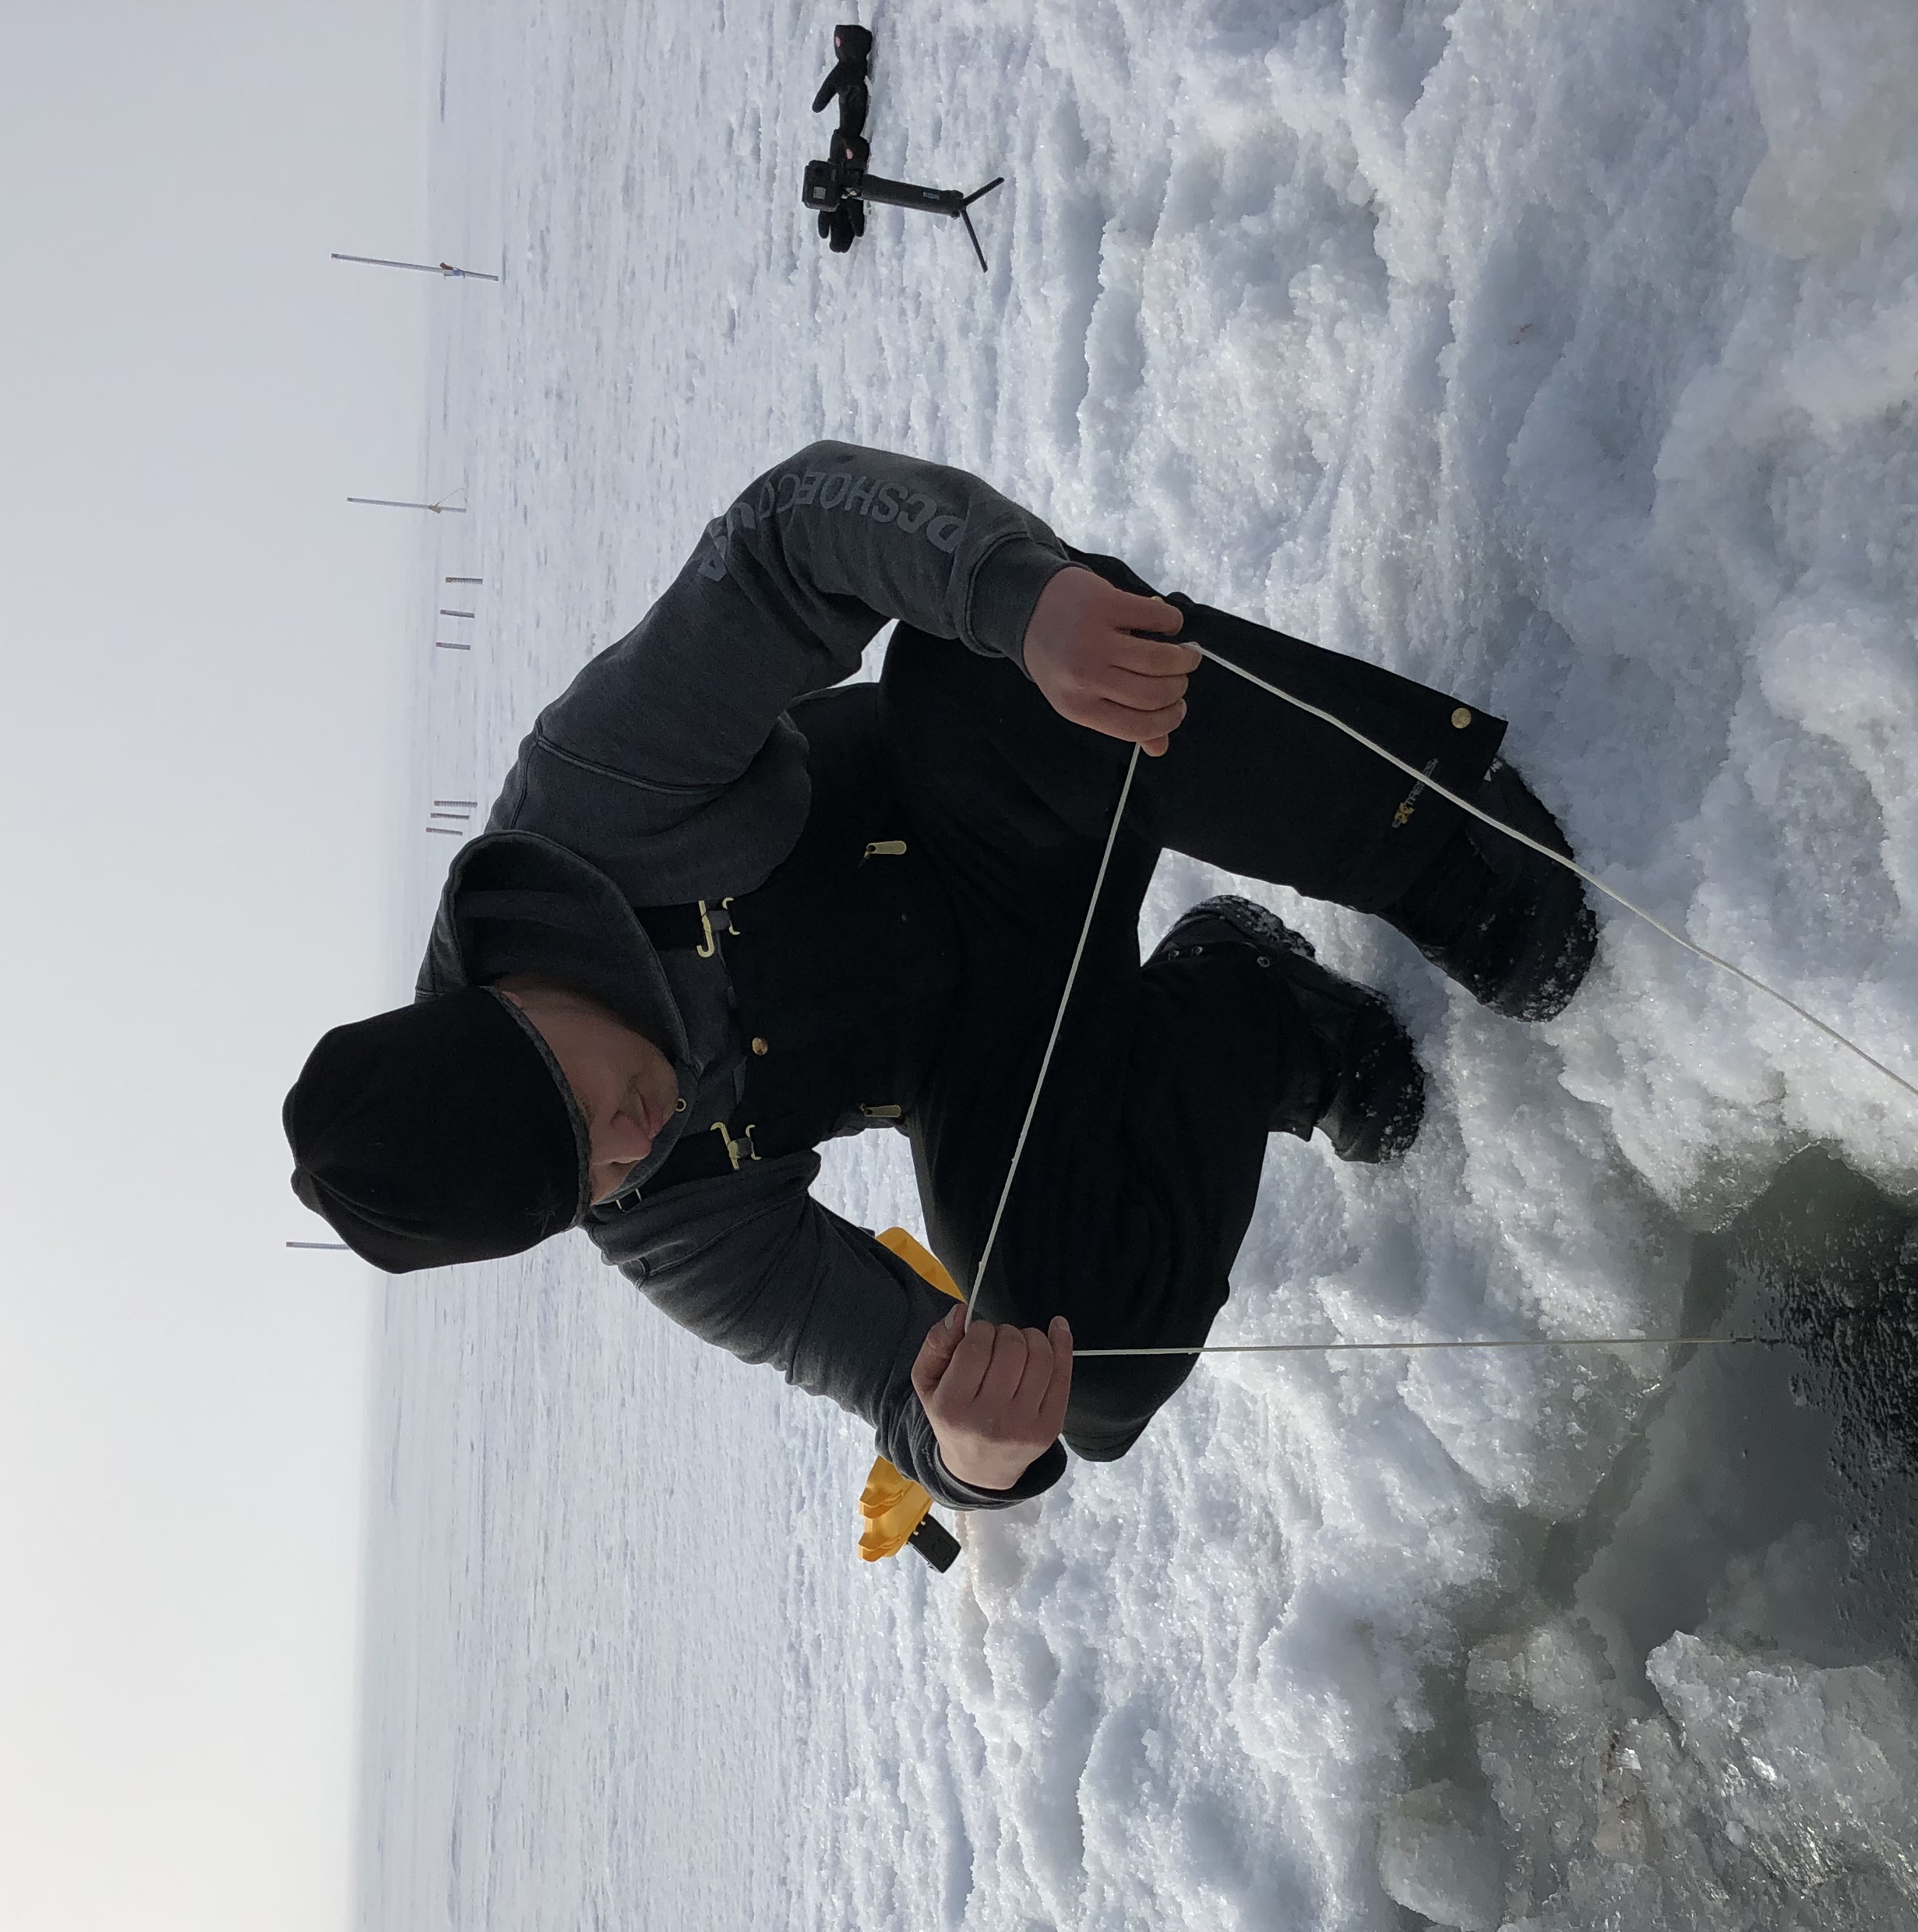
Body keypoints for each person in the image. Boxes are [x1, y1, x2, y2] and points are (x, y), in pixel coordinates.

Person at [284, 443, 1595, 1517]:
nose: (628, 1141)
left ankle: (1438, 846)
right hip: (1001, 1052)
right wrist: (971, 1451)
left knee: (962, 672)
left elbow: (786, 538)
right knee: (1085, 1372)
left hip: (1022, 788)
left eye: (575, 1112)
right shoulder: (664, 1218)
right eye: (589, 1181)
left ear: (512, 1003)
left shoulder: (589, 801)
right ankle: (1256, 1014)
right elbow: (888, 1385)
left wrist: (1024, 604)